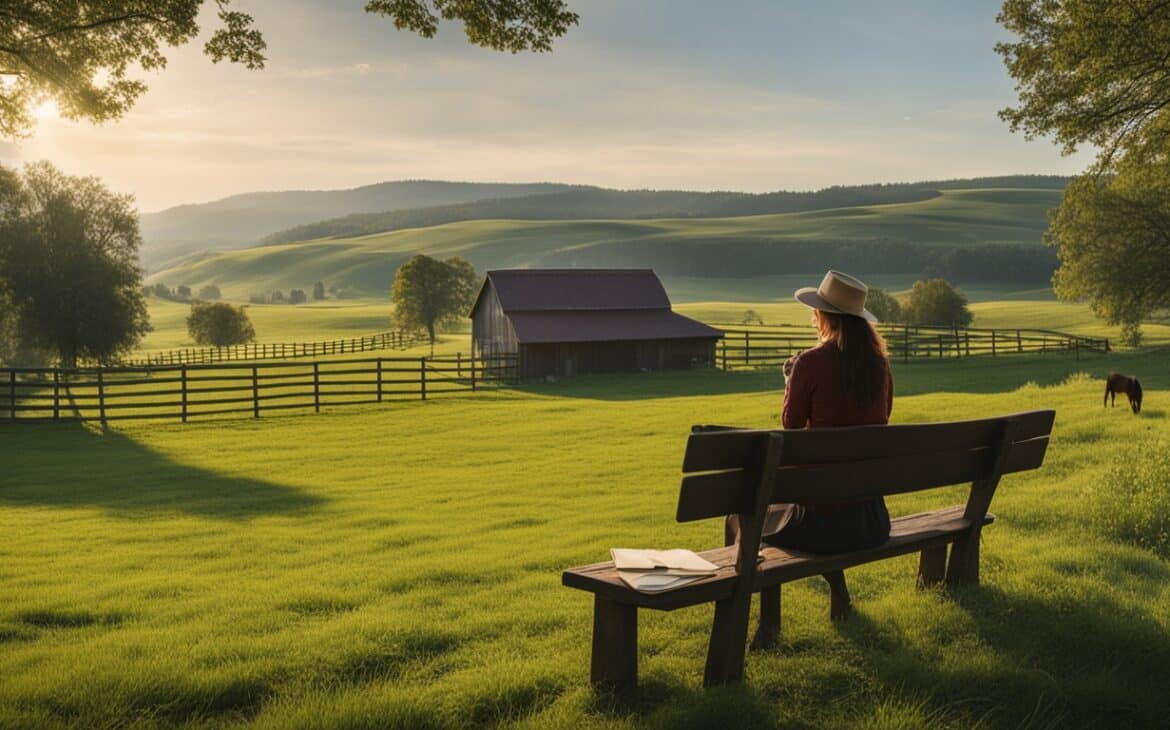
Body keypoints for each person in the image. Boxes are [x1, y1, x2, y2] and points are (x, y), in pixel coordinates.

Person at [726, 270, 894, 553]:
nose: (813, 317)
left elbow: (791, 425)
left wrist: (792, 381)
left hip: (820, 522)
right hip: (871, 521)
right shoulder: (880, 366)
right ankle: (839, 594)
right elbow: (882, 417)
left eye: (816, 311)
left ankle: (740, 593)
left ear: (826, 316)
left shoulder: (810, 362)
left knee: (735, 517)